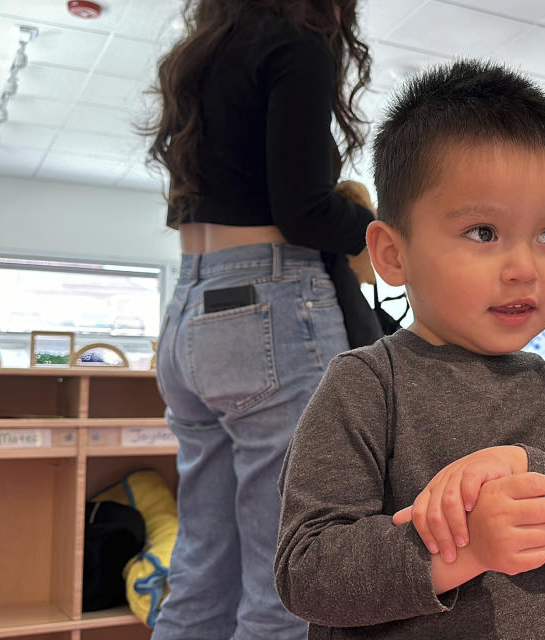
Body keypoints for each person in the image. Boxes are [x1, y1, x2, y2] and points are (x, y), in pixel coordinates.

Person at [275, 60, 545, 639]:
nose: (524, 268)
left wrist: (526, 469)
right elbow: (307, 572)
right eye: (483, 232)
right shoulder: (365, 385)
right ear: (392, 254)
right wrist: (462, 549)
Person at [143, 1, 373, 638]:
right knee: (286, 581)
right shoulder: (297, 45)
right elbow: (302, 213)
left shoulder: (204, 51)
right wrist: (387, 230)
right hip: (267, 309)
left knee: (198, 572)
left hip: (189, 304)